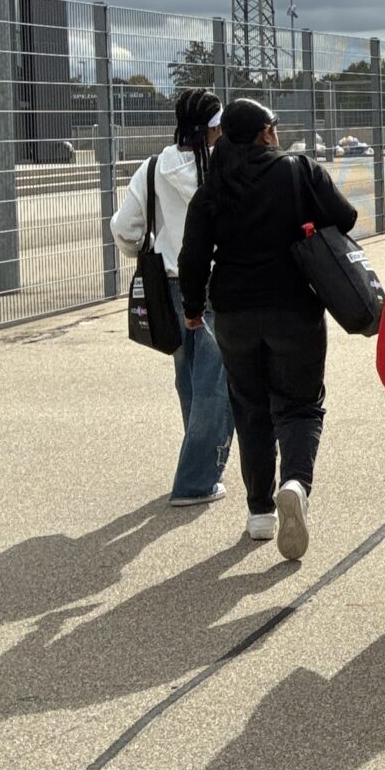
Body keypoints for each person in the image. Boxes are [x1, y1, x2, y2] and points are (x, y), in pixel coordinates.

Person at [178, 98, 358, 562]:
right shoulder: (297, 170)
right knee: (300, 405)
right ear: (264, 133)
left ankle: (260, 512)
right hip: (294, 306)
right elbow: (346, 218)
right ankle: (295, 483)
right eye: (273, 126)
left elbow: (192, 255)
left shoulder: (213, 186)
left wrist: (193, 308)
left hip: (234, 313)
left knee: (249, 406)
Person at [110, 87, 234, 507]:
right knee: (215, 380)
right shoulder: (223, 166)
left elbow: (124, 228)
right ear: (214, 128)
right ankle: (195, 480)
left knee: (188, 375)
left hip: (171, 283)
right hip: (218, 279)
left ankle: (199, 458)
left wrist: (145, 248)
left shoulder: (152, 168)